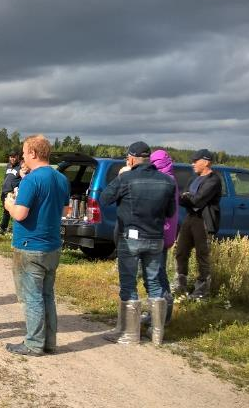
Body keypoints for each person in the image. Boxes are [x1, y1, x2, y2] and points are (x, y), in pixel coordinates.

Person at [100, 142, 176, 346]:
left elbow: (105, 198)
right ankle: (157, 335)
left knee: (128, 284)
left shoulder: (126, 178)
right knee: (155, 284)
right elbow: (170, 213)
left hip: (131, 238)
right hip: (156, 239)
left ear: (131, 158)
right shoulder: (167, 181)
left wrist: (121, 175)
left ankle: (130, 334)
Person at [3, 135, 69, 356]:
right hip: (52, 246)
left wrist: (9, 205)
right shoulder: (61, 179)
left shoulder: (31, 180)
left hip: (30, 246)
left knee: (32, 297)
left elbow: (21, 214)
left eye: (24, 152)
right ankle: (49, 342)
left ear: (33, 153)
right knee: (47, 296)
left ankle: (33, 343)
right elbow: (64, 211)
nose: (22, 156)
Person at [174, 149, 222, 300]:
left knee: (202, 255)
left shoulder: (214, 180)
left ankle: (201, 291)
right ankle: (180, 284)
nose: (192, 164)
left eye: (196, 161)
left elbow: (198, 200)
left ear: (206, 162)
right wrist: (187, 197)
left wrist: (188, 197)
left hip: (204, 220)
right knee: (181, 251)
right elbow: (182, 198)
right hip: (191, 217)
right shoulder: (193, 178)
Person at [147, 149, 178, 326]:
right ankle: (156, 314)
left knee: (158, 275)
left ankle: (163, 316)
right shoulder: (168, 179)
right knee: (156, 274)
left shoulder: (166, 181)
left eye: (154, 162)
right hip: (164, 232)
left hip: (161, 232)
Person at [0, 150, 21, 235]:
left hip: (12, 193)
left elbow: (24, 180)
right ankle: (3, 228)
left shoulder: (21, 167)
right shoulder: (8, 166)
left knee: (15, 211)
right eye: (11, 157)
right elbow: (6, 178)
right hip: (4, 192)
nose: (12, 158)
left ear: (18, 156)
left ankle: (17, 230)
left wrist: (16, 190)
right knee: (6, 211)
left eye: (14, 156)